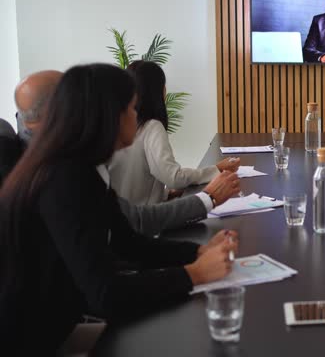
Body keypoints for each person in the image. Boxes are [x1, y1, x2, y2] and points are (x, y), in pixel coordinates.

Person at [0, 64, 239, 354]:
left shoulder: (82, 168)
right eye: (132, 108)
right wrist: (195, 274)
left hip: (55, 324)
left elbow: (128, 242)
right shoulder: (61, 178)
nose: (137, 117)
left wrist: (197, 253)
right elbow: (106, 294)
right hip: (35, 339)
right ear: (108, 116)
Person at [3, 70, 240, 236]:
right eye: (127, 107)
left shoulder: (56, 161)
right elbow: (133, 226)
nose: (133, 114)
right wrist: (208, 197)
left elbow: (124, 235)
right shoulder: (63, 173)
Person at [109, 60, 240, 205]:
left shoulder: (115, 128)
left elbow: (134, 183)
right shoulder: (151, 126)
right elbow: (173, 178)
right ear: (159, 91)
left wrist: (165, 194)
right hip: (146, 223)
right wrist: (216, 169)